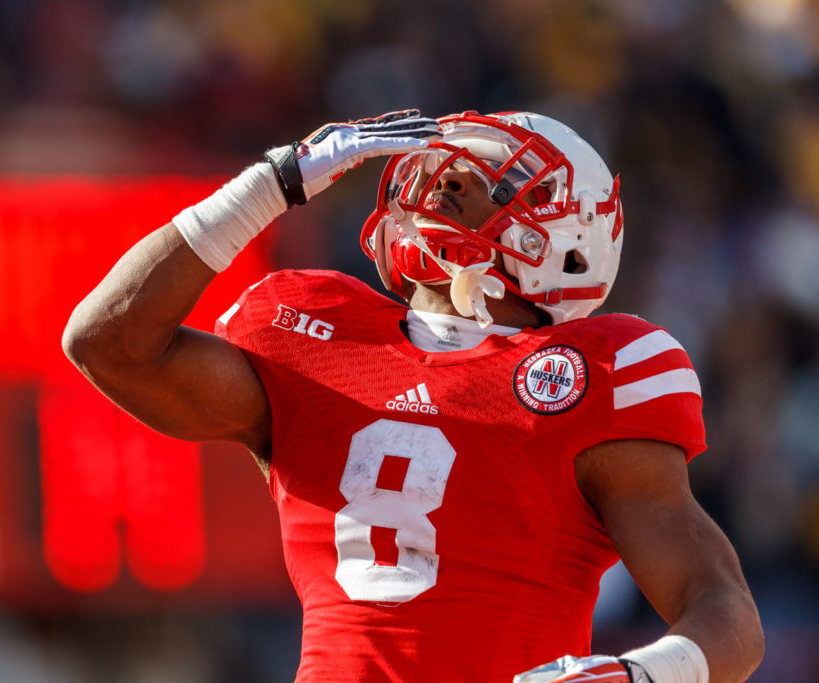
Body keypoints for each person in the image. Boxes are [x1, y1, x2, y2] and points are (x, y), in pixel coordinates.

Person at [62, 109, 764, 682]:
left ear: (566, 238)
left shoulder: (596, 371)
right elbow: (107, 342)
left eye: (491, 177)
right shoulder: (315, 333)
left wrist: (638, 675)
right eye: (445, 167)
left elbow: (725, 613)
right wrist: (267, 186)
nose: (449, 177)